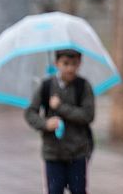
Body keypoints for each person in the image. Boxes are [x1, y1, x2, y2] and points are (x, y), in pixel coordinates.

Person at [24, 49, 95, 194]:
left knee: (79, 190)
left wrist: (60, 107)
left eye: (74, 64)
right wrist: (45, 124)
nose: (70, 68)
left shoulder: (83, 86)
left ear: (79, 64)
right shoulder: (46, 87)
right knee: (54, 190)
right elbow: (30, 113)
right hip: (53, 153)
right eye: (65, 63)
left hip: (77, 152)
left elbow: (88, 115)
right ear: (57, 64)